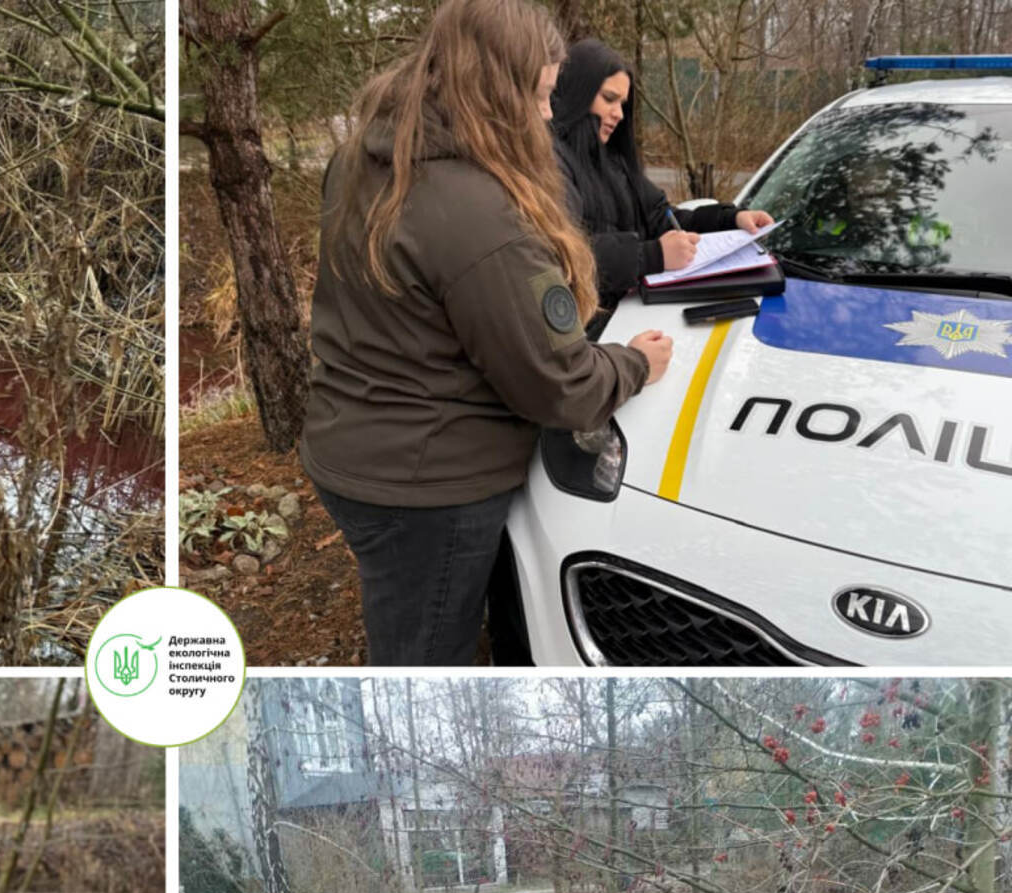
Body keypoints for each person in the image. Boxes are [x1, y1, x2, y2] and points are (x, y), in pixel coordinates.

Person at [302, 0, 673, 667]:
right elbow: (558, 383)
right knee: (424, 658)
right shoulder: (480, 212)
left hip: (350, 447)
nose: (544, 116)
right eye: (538, 96)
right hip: (426, 487)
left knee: (402, 611)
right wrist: (633, 365)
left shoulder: (363, 155)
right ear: (496, 89)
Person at [551, 38, 775, 309]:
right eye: (609, 99)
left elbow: (662, 218)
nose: (619, 114)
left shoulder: (612, 159)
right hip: (587, 329)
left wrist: (731, 219)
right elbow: (564, 252)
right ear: (579, 93)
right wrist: (652, 256)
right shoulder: (550, 163)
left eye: (623, 104)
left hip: (626, 313)